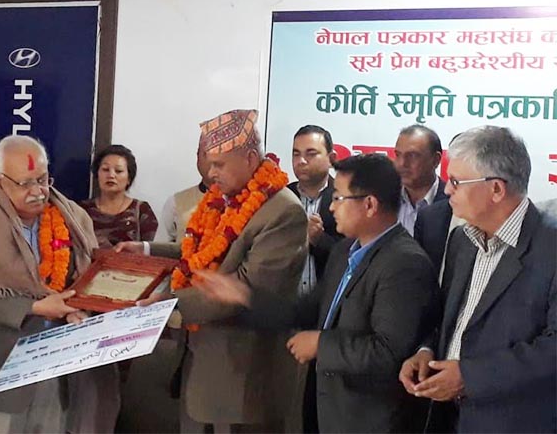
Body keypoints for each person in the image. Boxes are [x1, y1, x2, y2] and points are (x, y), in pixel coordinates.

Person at [195, 154, 440, 433]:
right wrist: (244, 297)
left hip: (370, 419)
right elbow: (305, 310)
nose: (332, 207)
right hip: (327, 408)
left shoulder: (404, 264)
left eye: (339, 198)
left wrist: (320, 344)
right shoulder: (344, 251)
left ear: (370, 204)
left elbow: (388, 352)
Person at [117, 109, 308, 433]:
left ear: (250, 159)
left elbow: (242, 289)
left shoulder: (282, 212)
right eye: (209, 162)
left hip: (241, 378)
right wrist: (147, 250)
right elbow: (205, 251)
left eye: (219, 164)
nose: (210, 171)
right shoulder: (226, 197)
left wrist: (169, 303)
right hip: (200, 364)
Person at [0, 135, 117, 433]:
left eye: (42, 179)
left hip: (58, 373)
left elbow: (89, 277)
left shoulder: (74, 218)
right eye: (25, 183)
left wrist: (79, 307)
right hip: (0, 375)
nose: (38, 191)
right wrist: (35, 307)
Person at [399, 126, 557, 433]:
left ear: (496, 189)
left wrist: (469, 378)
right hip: (446, 417)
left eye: (456, 182)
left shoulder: (550, 246)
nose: (447, 190)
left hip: (513, 421)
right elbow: (449, 317)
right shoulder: (462, 240)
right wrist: (426, 351)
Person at [288, 125, 343, 291]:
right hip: (285, 301)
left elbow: (355, 256)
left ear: (331, 158)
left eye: (311, 154)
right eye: (296, 154)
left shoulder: (347, 199)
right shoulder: (281, 198)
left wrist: (320, 240)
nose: (301, 161)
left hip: (328, 300)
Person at [79, 144, 158, 248]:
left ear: (129, 178)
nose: (111, 175)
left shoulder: (142, 210)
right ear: (97, 174)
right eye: (105, 169)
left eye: (118, 171)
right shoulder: (82, 210)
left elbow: (151, 250)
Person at [393, 125, 447, 235]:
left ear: (436, 160)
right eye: (398, 155)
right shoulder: (383, 198)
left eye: (412, 156)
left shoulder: (453, 202)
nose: (402, 163)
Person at [160, 140, 213, 242]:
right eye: (207, 154)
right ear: (197, 157)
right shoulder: (175, 202)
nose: (213, 160)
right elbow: (159, 247)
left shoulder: (243, 200)